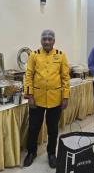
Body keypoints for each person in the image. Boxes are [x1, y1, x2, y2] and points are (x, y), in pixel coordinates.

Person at [23, 29, 70, 168]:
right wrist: (29, 96)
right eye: (45, 39)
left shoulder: (61, 55)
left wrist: (65, 96)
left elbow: (65, 77)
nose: (47, 41)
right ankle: (31, 153)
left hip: (55, 99)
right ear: (41, 41)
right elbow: (29, 76)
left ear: (54, 41)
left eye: (50, 39)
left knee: (53, 129)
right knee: (33, 128)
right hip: (37, 100)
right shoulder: (34, 55)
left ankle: (51, 153)